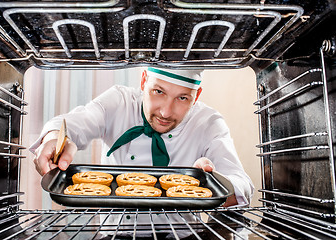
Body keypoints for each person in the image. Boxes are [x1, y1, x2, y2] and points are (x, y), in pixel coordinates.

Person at [30, 67, 254, 207]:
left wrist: (215, 182)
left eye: (183, 98)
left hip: (183, 235)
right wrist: (55, 137)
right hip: (113, 231)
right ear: (144, 80)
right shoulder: (119, 101)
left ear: (197, 96)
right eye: (159, 92)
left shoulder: (209, 123)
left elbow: (242, 183)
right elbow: (76, 121)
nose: (166, 112)